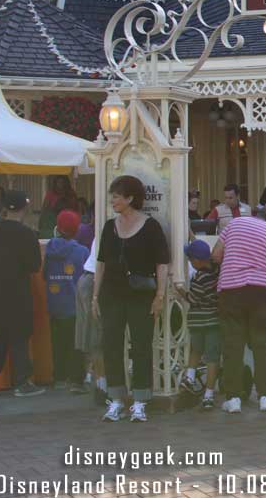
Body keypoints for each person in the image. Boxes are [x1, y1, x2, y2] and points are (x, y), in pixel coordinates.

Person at [93, 176, 170, 422]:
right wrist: (95, 294)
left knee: (141, 346)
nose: (113, 201)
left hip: (140, 295)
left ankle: (140, 400)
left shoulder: (151, 226)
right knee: (111, 345)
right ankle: (116, 399)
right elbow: (101, 263)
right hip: (111, 294)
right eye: (112, 196)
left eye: (117, 196)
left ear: (130, 198)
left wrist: (160, 295)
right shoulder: (108, 227)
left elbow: (162, 263)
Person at [213, 205, 266, 413]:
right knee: (262, 343)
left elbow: (216, 254)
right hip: (262, 292)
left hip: (231, 289)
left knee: (232, 344)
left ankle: (233, 398)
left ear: (256, 215)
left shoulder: (234, 223)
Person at [0, 191, 45, 397]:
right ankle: (22, 383)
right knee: (19, 337)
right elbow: (35, 265)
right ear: (24, 208)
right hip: (19, 291)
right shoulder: (27, 234)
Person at [44, 210, 89, 393]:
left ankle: (59, 378)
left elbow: (44, 275)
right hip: (75, 305)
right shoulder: (82, 251)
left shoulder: (49, 249)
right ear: (76, 229)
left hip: (55, 304)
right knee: (76, 343)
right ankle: (77, 381)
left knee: (58, 343)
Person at [178, 240, 220, 410]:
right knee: (213, 358)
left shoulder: (199, 277)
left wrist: (180, 291)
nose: (189, 262)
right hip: (215, 320)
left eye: (190, 259)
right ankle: (209, 395)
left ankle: (190, 376)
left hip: (198, 319)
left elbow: (193, 299)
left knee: (196, 350)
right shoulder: (217, 271)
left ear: (196, 260)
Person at [76, 237, 106, 406]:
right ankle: (102, 386)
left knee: (95, 338)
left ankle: (101, 384)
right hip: (94, 280)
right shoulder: (108, 228)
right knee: (97, 338)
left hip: (89, 279)